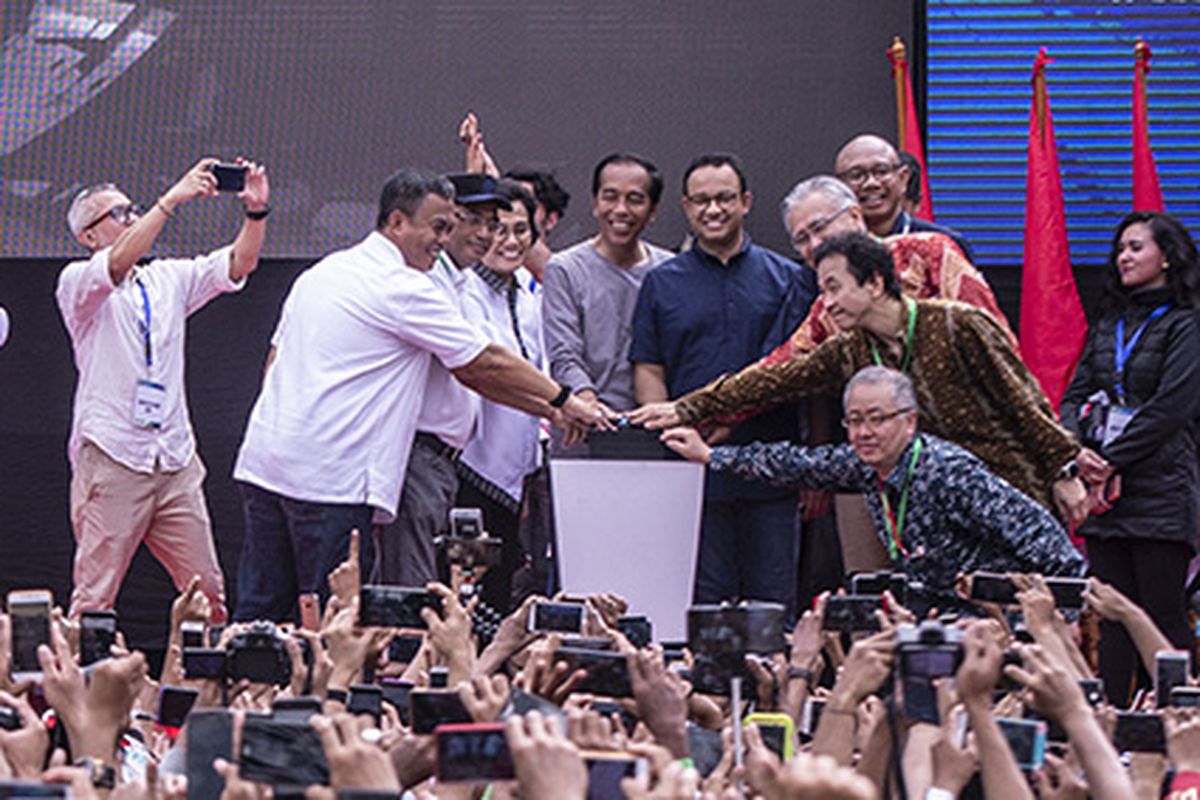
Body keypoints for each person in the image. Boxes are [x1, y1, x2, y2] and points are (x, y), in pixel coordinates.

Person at [231, 168, 597, 622]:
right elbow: (483, 365)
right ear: (398, 222)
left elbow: (274, 362)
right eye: (440, 227)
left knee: (260, 616)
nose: (445, 240)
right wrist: (562, 401)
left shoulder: (326, 270)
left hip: (270, 465)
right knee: (339, 623)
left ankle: (231, 692)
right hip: (331, 480)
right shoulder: (403, 287)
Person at [631, 232, 1088, 525]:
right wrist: (687, 407)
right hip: (935, 505)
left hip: (1010, 489)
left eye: (834, 287)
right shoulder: (851, 348)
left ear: (873, 282)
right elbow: (774, 380)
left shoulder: (957, 323)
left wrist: (1064, 471)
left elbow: (1024, 401)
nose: (825, 304)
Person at [663, 366, 1084, 608]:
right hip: (934, 623)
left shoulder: (949, 471)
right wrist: (711, 456)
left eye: (878, 419)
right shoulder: (867, 466)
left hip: (997, 624)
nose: (864, 432)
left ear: (910, 420)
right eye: (855, 421)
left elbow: (1051, 547)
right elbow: (799, 464)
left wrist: (1048, 621)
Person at [56, 157, 270, 621]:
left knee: (208, 593)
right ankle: (76, 690)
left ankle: (202, 688)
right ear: (89, 235)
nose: (131, 217)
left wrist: (255, 213)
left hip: (174, 458)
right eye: (118, 213)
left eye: (133, 209)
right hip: (114, 457)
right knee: (94, 597)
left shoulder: (166, 277)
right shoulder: (78, 283)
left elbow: (239, 263)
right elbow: (116, 263)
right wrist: (170, 200)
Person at [630, 153, 817, 614]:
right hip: (692, 476)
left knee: (773, 607)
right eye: (701, 201)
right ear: (686, 207)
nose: (713, 210)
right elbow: (649, 370)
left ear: (746, 202)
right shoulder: (660, 283)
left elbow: (807, 375)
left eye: (724, 199)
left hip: (771, 471)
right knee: (700, 606)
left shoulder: (789, 279)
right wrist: (675, 433)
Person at [1060, 211, 1200, 704]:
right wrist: (1079, 451)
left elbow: (1172, 408)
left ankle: (1185, 729)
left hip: (1160, 486)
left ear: (1168, 256)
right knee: (1111, 616)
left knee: (1163, 613)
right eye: (1120, 248)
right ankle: (1113, 727)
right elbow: (1073, 397)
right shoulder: (1108, 324)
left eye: (1136, 247)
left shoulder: (1187, 323)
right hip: (1105, 494)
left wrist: (1111, 460)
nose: (1124, 256)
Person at [376, 172, 508, 587]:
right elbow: (481, 365)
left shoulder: (463, 280)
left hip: (448, 462)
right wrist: (559, 403)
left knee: (443, 589)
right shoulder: (422, 278)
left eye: (493, 224)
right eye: (472, 220)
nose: (485, 234)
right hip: (416, 455)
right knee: (409, 594)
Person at [456, 181, 546, 612]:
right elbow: (487, 368)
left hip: (519, 472)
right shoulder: (462, 289)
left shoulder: (529, 293)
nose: (509, 241)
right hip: (469, 468)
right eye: (498, 229)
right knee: (467, 586)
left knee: (504, 581)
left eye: (521, 230)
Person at [543, 152, 674, 418]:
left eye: (635, 199)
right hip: (583, 428)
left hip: (657, 430)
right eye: (610, 197)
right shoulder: (565, 269)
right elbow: (564, 354)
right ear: (595, 203)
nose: (621, 210)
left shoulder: (670, 270)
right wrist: (586, 402)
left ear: (653, 211)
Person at [834, 134, 973, 261]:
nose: (871, 183)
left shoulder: (946, 245)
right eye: (857, 175)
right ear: (839, 185)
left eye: (881, 171)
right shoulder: (830, 251)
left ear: (903, 178)